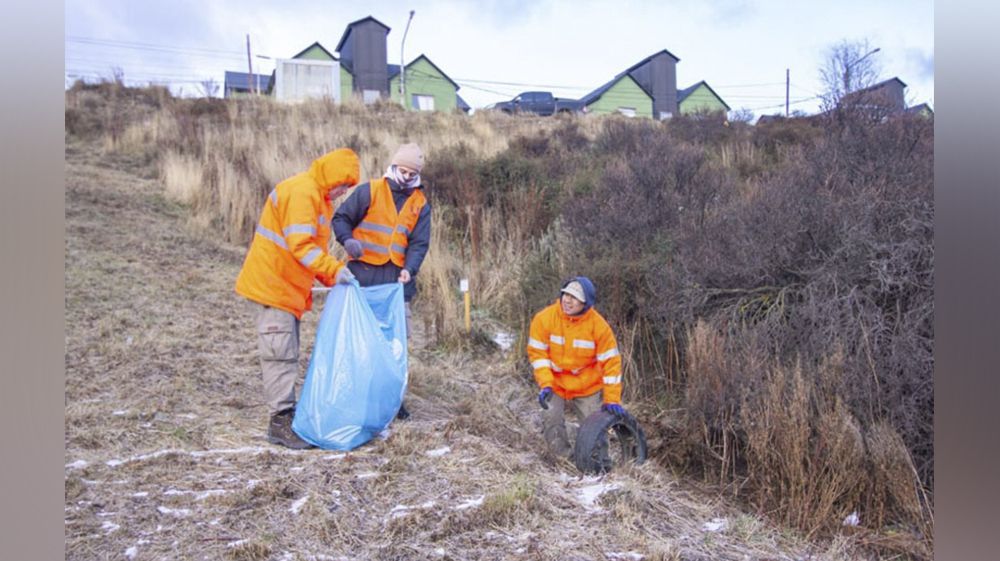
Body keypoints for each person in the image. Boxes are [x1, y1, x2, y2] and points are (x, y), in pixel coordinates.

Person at [235, 148, 361, 449]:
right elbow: (301, 246)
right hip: (274, 285)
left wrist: (333, 277)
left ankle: (286, 417)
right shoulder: (304, 193)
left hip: (286, 287)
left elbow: (315, 250)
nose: (344, 192)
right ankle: (280, 421)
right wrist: (335, 271)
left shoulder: (317, 198)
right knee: (280, 352)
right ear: (331, 177)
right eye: (343, 184)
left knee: (286, 350)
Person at [332, 143, 431, 420]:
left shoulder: (420, 203)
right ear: (394, 166)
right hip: (362, 276)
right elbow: (341, 218)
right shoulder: (370, 190)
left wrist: (410, 269)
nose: (407, 176)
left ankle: (392, 399)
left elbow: (419, 243)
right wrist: (348, 241)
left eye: (413, 173)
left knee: (394, 343)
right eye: (403, 170)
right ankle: (354, 393)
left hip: (397, 281)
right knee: (358, 337)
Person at [527, 276, 626, 459]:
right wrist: (546, 384)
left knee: (594, 426)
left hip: (586, 384)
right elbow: (538, 354)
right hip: (555, 382)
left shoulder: (599, 326)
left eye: (575, 297)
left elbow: (612, 363)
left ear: (586, 303)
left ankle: (597, 463)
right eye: (566, 294)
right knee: (551, 418)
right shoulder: (544, 319)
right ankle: (562, 459)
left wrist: (612, 398)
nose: (567, 300)